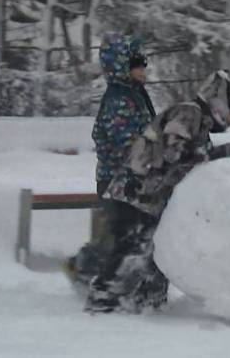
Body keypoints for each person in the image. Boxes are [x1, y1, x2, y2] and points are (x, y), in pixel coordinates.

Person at [85, 69, 230, 313]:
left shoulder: (201, 126)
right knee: (133, 248)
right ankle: (103, 300)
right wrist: (214, 154)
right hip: (134, 194)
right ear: (221, 101)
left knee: (155, 253)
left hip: (151, 199)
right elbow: (172, 154)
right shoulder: (188, 114)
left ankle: (149, 303)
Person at [65, 33, 155, 288]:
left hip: (132, 179)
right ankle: (84, 268)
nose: (143, 69)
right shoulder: (119, 100)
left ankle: (111, 274)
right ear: (121, 68)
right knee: (120, 235)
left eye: (143, 63)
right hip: (117, 181)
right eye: (137, 65)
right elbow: (125, 144)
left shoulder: (134, 93)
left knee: (123, 233)